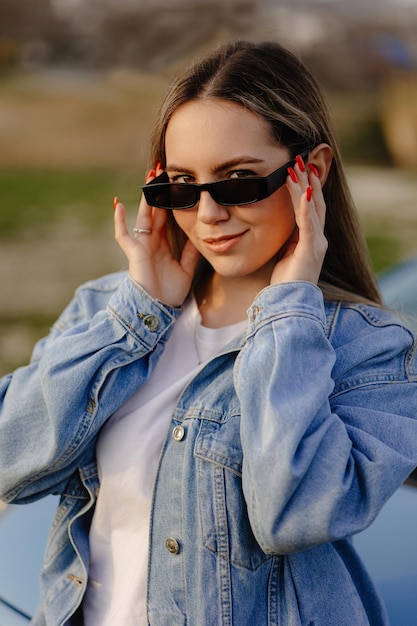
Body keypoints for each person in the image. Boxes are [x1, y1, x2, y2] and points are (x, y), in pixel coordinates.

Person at [1, 39, 417, 626]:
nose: (207, 213)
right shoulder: (106, 313)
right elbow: (10, 461)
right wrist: (136, 317)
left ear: (311, 172)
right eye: (180, 185)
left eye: (238, 181)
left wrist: (288, 308)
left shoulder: (372, 349)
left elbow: (293, 513)